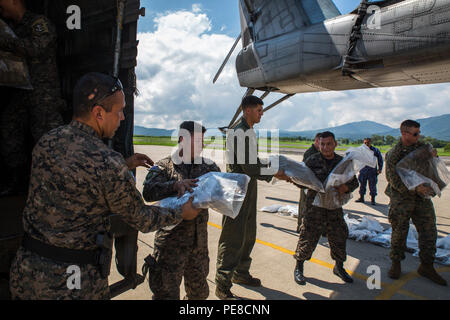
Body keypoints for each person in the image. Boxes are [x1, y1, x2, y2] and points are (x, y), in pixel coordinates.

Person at [8, 72, 201, 300]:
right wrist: (182, 212)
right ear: (98, 113)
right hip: (70, 282)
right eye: (119, 111)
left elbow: (75, 174)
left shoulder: (48, 141)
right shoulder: (106, 162)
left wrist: (124, 163)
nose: (122, 118)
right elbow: (143, 218)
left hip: (27, 272)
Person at [215, 95, 289, 300]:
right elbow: (250, 167)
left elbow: (252, 163)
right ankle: (222, 283)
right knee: (233, 237)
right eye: (259, 110)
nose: (262, 113)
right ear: (247, 110)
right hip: (238, 190)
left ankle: (240, 273)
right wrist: (275, 172)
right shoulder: (240, 133)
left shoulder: (248, 131)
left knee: (248, 233)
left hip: (248, 187)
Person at [142, 121, 221, 300]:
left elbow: (220, 189)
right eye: (197, 140)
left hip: (198, 246)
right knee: (166, 295)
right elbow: (148, 191)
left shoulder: (208, 167)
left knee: (199, 294)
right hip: (170, 246)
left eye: (203, 141)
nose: (201, 146)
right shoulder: (164, 166)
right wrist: (175, 185)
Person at [0, 0, 66, 195]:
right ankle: (19, 180)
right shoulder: (13, 27)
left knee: (49, 140)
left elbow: (38, 47)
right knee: (8, 130)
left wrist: (6, 43)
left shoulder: (38, 23)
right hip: (20, 91)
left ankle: (58, 187)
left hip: (44, 94)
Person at [385, 120, 446, 286]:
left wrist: (434, 157)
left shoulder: (423, 148)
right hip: (402, 199)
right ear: (404, 134)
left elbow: (431, 168)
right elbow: (393, 181)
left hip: (422, 198)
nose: (418, 136)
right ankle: (396, 263)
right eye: (415, 134)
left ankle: (426, 265)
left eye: (419, 133)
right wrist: (415, 189)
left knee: (429, 231)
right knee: (399, 232)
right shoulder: (394, 154)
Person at [293, 131, 359, 285]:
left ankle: (339, 267)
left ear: (335, 144)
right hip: (314, 208)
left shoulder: (342, 163)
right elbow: (299, 179)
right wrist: (302, 182)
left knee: (339, 237)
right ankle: (299, 267)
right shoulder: (312, 160)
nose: (325, 147)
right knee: (307, 237)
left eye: (329, 144)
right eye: (322, 144)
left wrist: (345, 188)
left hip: (334, 208)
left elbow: (354, 182)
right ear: (318, 144)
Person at [297, 132, 322, 232]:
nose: (322, 145)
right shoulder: (310, 153)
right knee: (304, 205)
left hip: (314, 185)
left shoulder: (319, 152)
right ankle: (300, 225)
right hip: (306, 184)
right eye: (321, 143)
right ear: (316, 141)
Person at [355, 138, 383, 205]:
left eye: (368, 143)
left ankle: (373, 199)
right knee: (362, 185)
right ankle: (361, 198)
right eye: (365, 143)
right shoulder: (361, 150)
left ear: (370, 143)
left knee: (372, 185)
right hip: (363, 171)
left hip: (372, 171)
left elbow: (380, 159)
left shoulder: (375, 150)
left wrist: (380, 168)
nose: (366, 144)